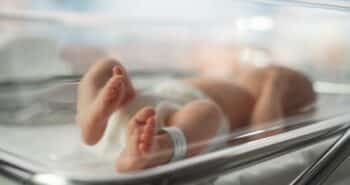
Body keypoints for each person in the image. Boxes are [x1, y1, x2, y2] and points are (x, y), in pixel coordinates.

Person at [76, 58, 316, 172]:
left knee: (207, 112)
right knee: (107, 67)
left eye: (284, 79)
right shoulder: (228, 80)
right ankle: (92, 117)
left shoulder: (256, 102)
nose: (268, 70)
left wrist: (273, 86)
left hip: (174, 124)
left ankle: (159, 147)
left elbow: (267, 133)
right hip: (134, 105)